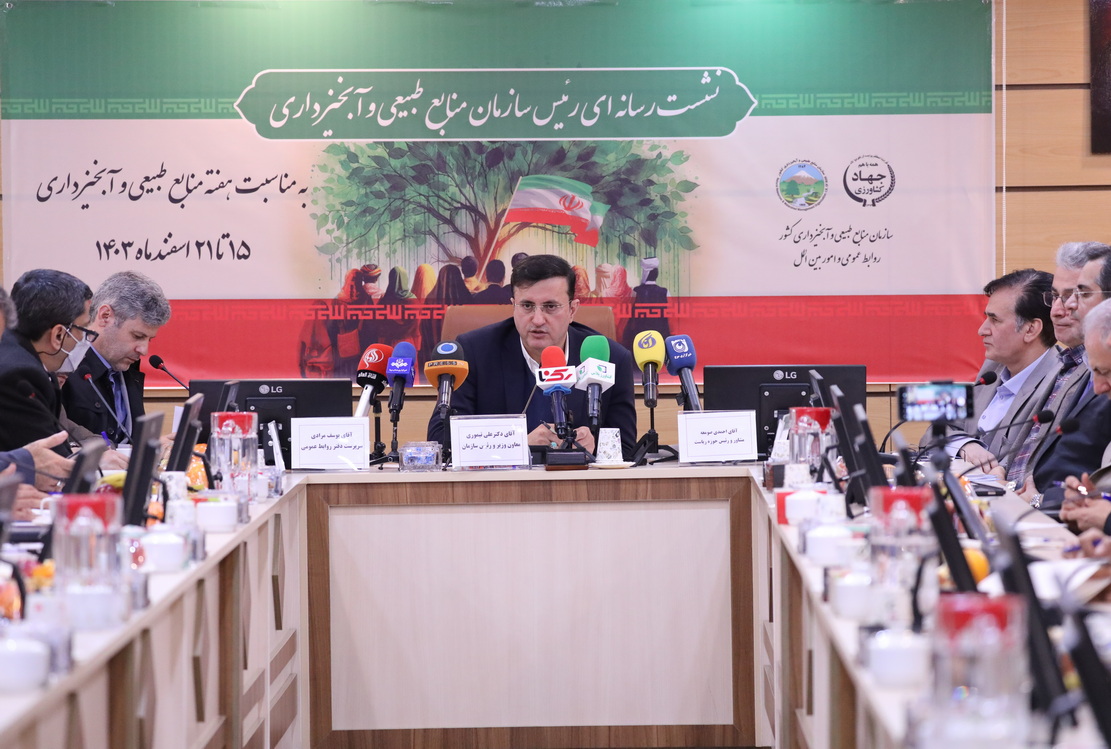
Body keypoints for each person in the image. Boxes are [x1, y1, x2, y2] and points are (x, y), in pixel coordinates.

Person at [426, 254, 637, 458]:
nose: (537, 320)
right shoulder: (475, 352)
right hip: (503, 481)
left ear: (572, 310)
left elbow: (626, 449)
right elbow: (441, 441)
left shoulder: (611, 359)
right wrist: (519, 444)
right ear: (513, 306)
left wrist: (596, 445)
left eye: (550, 306)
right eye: (527, 306)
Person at [1005, 245, 1111, 509]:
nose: (1064, 307)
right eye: (1056, 296)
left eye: (1081, 293)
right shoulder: (1076, 363)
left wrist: (1040, 500)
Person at [932, 269, 1056, 469]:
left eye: (995, 320)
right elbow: (936, 430)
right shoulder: (992, 369)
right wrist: (966, 445)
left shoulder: (1058, 383)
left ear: (1031, 329)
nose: (981, 330)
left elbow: (1028, 465)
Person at [61, 271, 171, 446]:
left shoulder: (127, 366)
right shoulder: (63, 366)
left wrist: (151, 446)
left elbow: (128, 440)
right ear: (105, 316)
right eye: (137, 336)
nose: (144, 350)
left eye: (149, 339)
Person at [0, 269, 93, 453]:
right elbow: (48, 462)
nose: (84, 339)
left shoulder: (21, 357)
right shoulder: (20, 375)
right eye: (83, 329)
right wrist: (91, 461)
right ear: (58, 334)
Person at [622, 257, 673, 350]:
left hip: (640, 336)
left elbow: (628, 312)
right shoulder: (665, 292)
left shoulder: (636, 291)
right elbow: (671, 315)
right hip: (661, 335)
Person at [379, 265, 419, 346]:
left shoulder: (384, 300)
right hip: (407, 342)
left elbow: (381, 326)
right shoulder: (413, 301)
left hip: (388, 342)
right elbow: (416, 326)